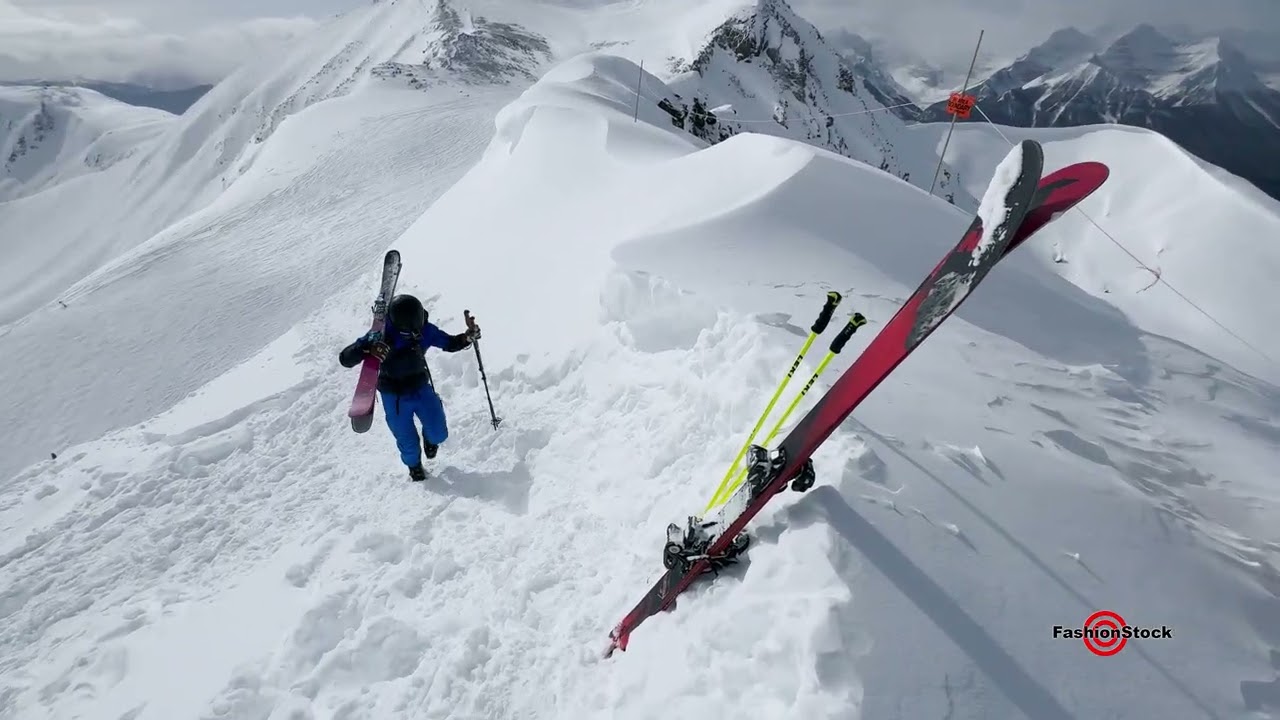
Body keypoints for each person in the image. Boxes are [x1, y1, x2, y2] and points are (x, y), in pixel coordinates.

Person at [339, 294, 480, 481]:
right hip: (394, 396)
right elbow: (345, 359)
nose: (415, 333)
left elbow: (449, 343)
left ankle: (430, 439)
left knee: (439, 433)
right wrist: (366, 350)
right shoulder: (381, 334)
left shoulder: (425, 330)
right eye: (410, 331)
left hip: (420, 387)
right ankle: (414, 466)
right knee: (407, 442)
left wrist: (467, 337)